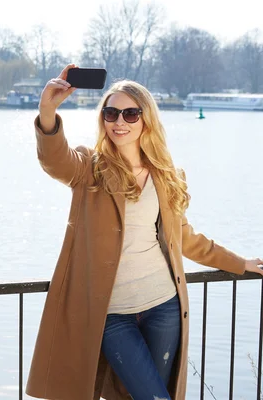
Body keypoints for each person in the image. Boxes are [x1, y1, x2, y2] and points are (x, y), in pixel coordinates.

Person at [24, 64, 263, 400]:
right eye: (111, 113)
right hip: (111, 314)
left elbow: (186, 239)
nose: (119, 121)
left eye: (130, 113)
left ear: (146, 119)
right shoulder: (89, 168)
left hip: (164, 305)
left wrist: (241, 263)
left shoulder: (166, 175)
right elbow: (55, 160)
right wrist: (47, 111)